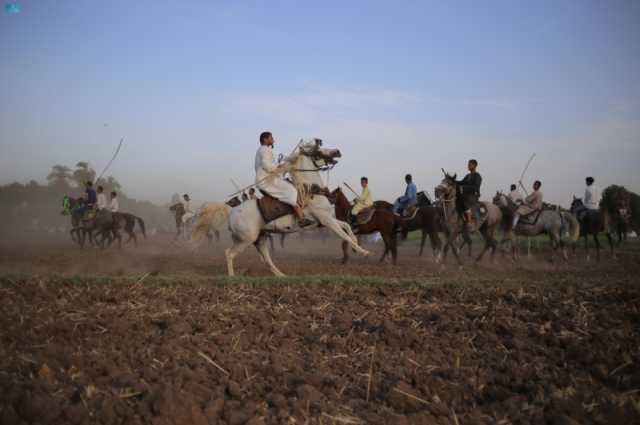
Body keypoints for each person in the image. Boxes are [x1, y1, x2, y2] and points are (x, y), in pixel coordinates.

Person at [255, 131, 311, 226]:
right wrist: (278, 167)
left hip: (267, 179)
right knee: (291, 190)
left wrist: (280, 167)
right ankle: (301, 218)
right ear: (265, 139)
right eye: (271, 138)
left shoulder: (262, 150)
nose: (273, 139)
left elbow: (268, 166)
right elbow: (266, 165)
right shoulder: (264, 149)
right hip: (267, 181)